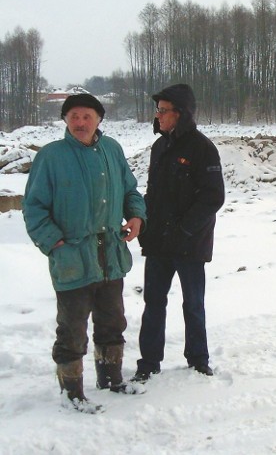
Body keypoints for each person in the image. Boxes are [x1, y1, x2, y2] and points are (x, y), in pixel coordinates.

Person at [23, 93, 147, 413]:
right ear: (65, 120)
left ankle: (111, 379)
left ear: (98, 120)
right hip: (72, 257)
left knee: (112, 320)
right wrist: (54, 243)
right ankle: (71, 392)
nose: (80, 123)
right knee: (72, 327)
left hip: (110, 253)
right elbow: (34, 208)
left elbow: (130, 190)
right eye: (74, 116)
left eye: (86, 117)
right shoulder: (51, 156)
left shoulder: (113, 150)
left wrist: (135, 215)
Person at [134, 83, 225, 382]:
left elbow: (213, 197)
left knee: (193, 303)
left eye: (163, 110)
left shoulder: (202, 148)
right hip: (159, 243)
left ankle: (198, 359)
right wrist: (144, 223)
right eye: (157, 110)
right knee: (153, 303)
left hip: (190, 244)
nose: (158, 115)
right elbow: (153, 193)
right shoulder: (160, 147)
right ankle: (148, 362)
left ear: (180, 113)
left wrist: (184, 230)